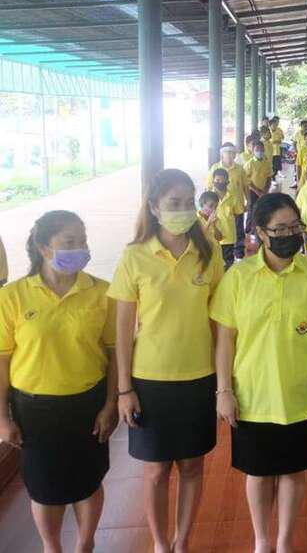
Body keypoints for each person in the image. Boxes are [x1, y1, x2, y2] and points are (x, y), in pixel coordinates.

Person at [211, 193, 307, 553]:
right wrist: (224, 391)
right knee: (258, 472)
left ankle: (284, 542)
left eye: (295, 227)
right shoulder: (239, 277)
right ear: (259, 232)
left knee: (294, 472)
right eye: (279, 229)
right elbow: (225, 339)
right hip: (252, 395)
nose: (289, 235)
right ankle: (262, 540)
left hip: (301, 394)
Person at [110, 169, 224, 553]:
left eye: (189, 202)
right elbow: (122, 330)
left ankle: (182, 541)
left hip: (200, 376)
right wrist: (124, 389)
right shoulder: (135, 256)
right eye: (174, 203)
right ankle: (160, 544)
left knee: (192, 466)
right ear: (155, 207)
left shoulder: (209, 252)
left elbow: (221, 321)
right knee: (157, 470)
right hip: (150, 380)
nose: (183, 210)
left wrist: (224, 381)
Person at [0, 211, 117, 553]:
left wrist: (110, 405)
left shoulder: (102, 292)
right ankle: (52, 548)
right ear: (43, 248)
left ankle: (85, 544)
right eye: (70, 241)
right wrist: (2, 418)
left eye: (83, 240)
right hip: (34, 410)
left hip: (88, 404)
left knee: (88, 481)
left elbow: (115, 354)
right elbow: (2, 360)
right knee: (44, 489)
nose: (81, 248)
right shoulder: (13, 297)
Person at [207, 143, 249, 260]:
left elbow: (245, 186)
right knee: (219, 228)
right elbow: (209, 187)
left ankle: (239, 253)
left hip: (236, 204)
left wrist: (248, 201)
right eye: (227, 152)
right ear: (222, 154)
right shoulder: (214, 168)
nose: (230, 155)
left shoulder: (240, 169)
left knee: (238, 229)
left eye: (232, 153)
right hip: (218, 206)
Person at [244, 139, 273, 234]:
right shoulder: (249, 164)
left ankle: (258, 227)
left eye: (261, 149)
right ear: (253, 151)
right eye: (257, 150)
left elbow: (269, 177)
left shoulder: (267, 163)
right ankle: (249, 229)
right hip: (252, 191)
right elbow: (247, 180)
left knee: (261, 209)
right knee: (252, 209)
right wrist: (257, 191)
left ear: (264, 150)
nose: (259, 152)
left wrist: (266, 190)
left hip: (264, 190)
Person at [211, 168, 239, 268]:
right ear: (213, 181)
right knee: (213, 262)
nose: (219, 183)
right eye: (217, 180)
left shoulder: (233, 196)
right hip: (212, 236)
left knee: (228, 262)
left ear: (227, 182)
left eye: (222, 180)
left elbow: (237, 213)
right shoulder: (208, 197)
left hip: (228, 236)